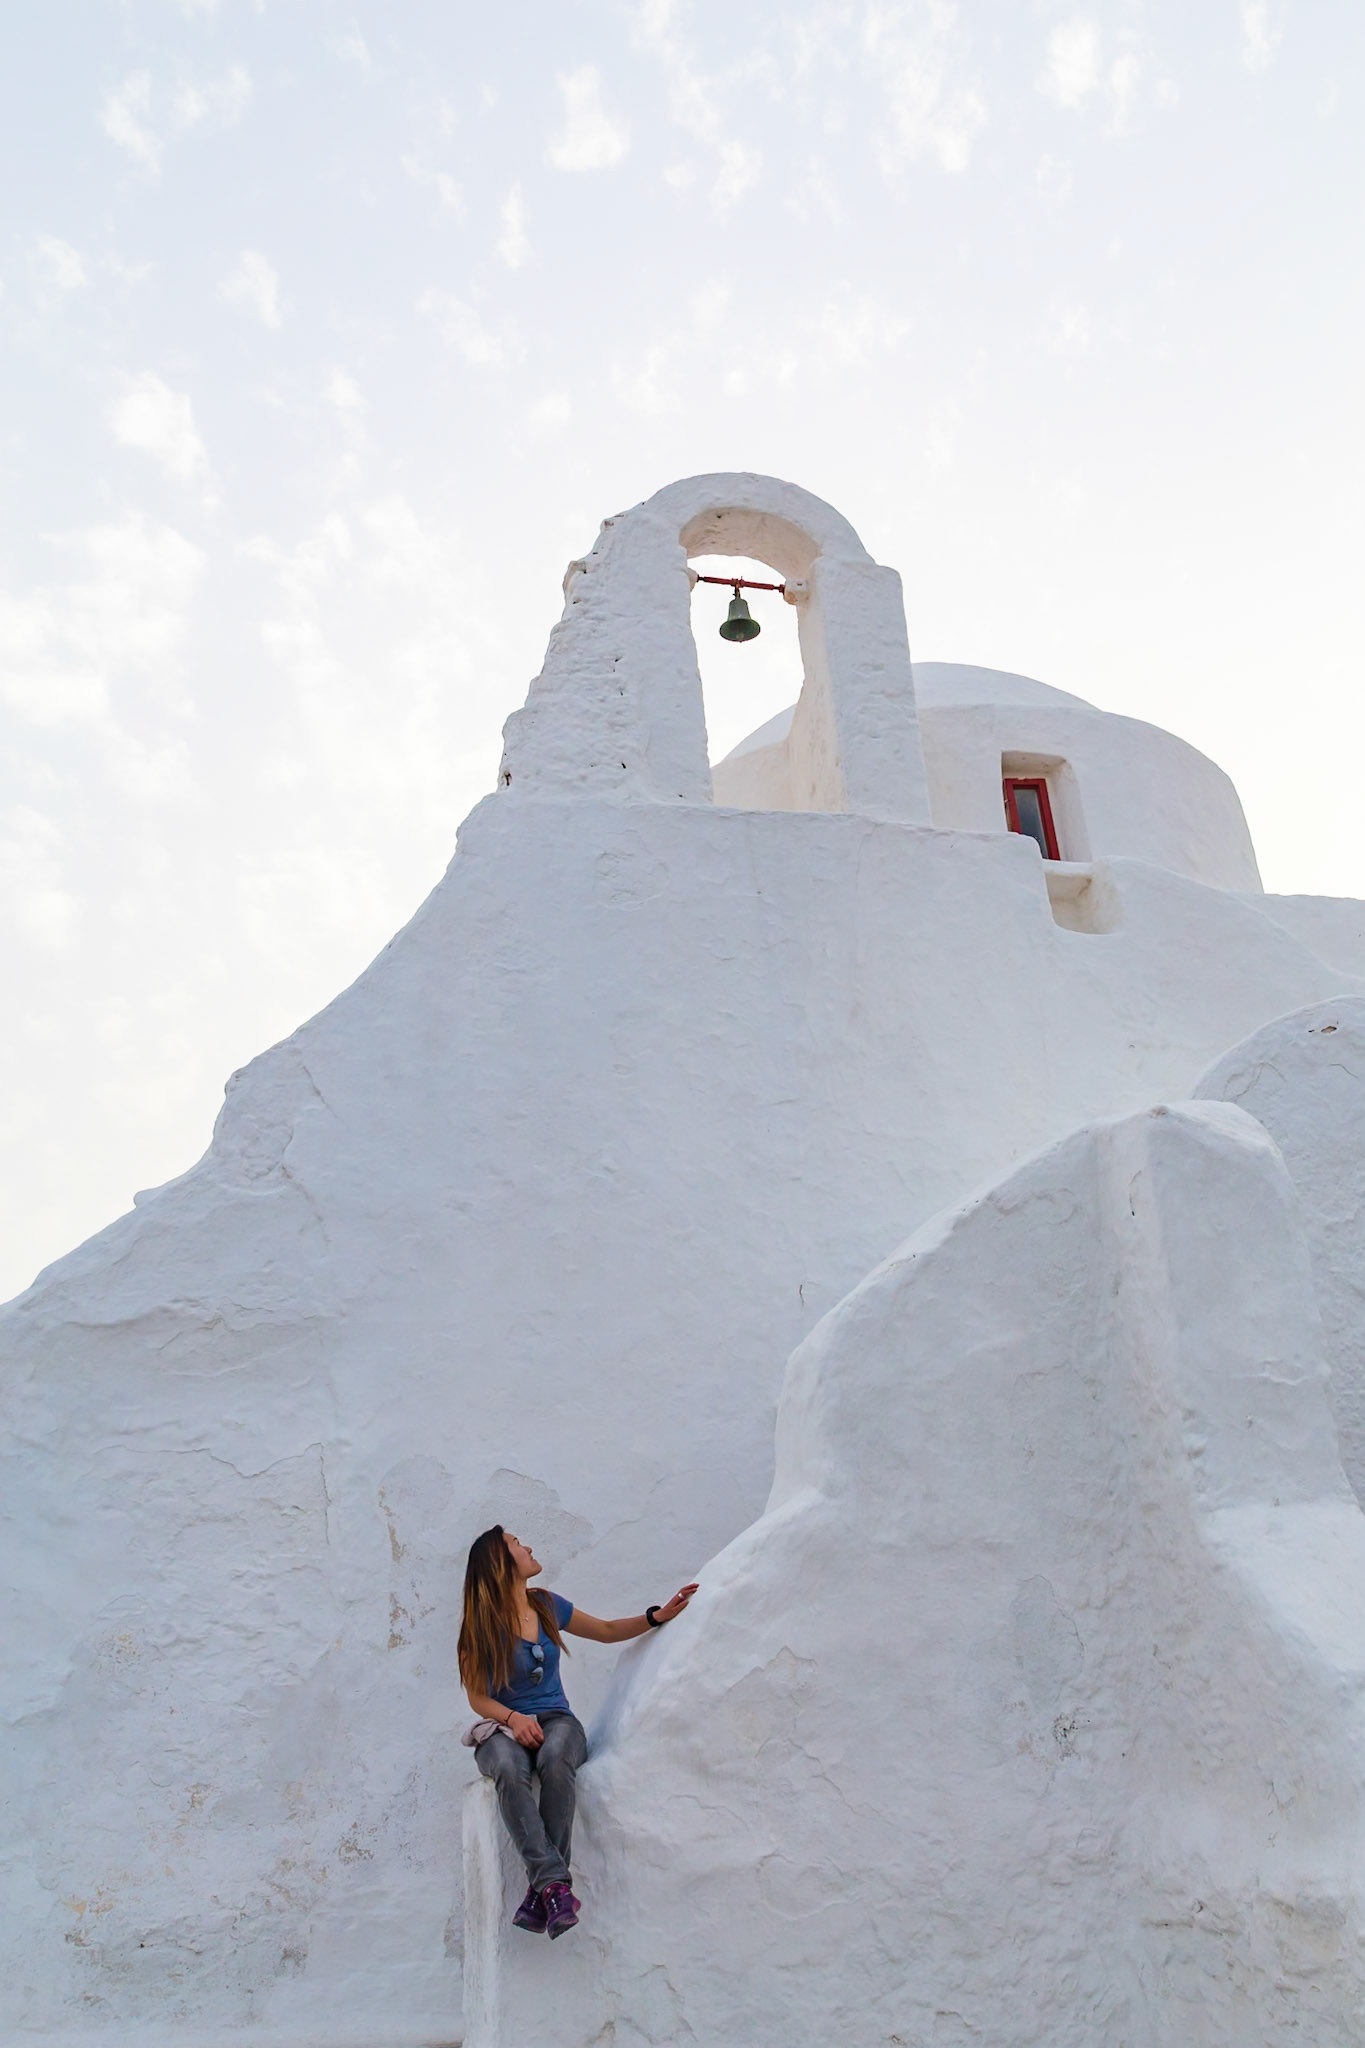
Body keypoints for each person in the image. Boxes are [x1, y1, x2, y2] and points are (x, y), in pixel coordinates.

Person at [458, 1524, 698, 1939]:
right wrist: (513, 1720)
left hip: (556, 1720)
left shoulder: (547, 1606)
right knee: (505, 1765)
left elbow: (605, 1631)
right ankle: (554, 1884)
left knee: (556, 1757)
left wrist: (654, 1617)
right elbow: (477, 1697)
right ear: (500, 1562)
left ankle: (544, 1892)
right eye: (516, 1544)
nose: (528, 1545)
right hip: (503, 1727)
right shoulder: (479, 1625)